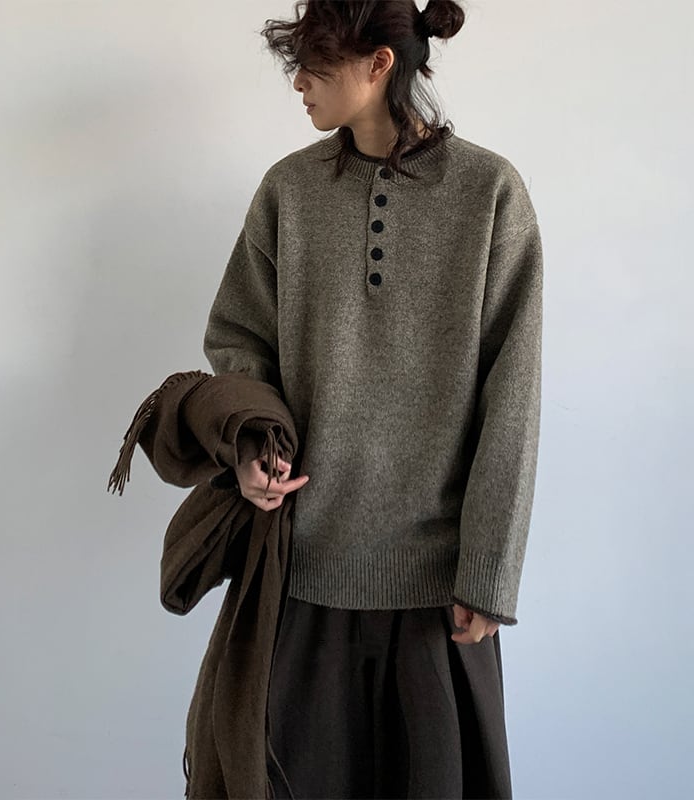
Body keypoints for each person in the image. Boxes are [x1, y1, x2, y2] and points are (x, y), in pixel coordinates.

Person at [202, 1, 543, 797]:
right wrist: (252, 449)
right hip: (302, 577)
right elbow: (237, 339)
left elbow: (515, 396)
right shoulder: (288, 191)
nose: (298, 82)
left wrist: (489, 570)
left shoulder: (490, 192)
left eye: (315, 61)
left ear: (379, 63)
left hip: (439, 597)